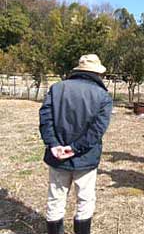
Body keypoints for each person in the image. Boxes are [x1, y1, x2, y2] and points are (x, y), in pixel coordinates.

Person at [39, 54, 113, 234]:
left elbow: (45, 119)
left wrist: (54, 144)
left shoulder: (56, 88)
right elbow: (97, 130)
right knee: (85, 200)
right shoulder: (103, 96)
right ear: (97, 74)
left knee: (55, 199)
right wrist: (74, 148)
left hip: (57, 156)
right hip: (85, 157)